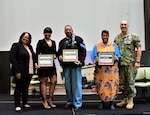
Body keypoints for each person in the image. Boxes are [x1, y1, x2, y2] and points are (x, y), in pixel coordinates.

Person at [57, 25, 86, 111]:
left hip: (76, 66)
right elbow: (59, 52)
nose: (68, 31)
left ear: (72, 30)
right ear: (64, 31)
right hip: (66, 66)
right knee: (68, 85)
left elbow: (83, 51)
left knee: (77, 85)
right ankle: (69, 101)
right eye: (66, 30)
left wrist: (80, 61)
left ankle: (77, 103)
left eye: (69, 29)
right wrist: (60, 57)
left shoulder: (79, 39)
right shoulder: (62, 42)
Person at [114, 20, 142, 109]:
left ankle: (130, 101)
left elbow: (139, 48)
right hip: (121, 64)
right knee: (122, 83)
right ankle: (124, 99)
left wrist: (137, 61)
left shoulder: (133, 37)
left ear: (128, 26)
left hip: (131, 64)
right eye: (122, 24)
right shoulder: (117, 38)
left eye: (125, 24)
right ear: (120, 26)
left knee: (130, 82)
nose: (123, 26)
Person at [91, 30, 121, 110]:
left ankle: (112, 103)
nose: (105, 37)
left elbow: (118, 56)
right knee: (101, 87)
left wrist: (115, 57)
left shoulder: (114, 45)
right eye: (103, 35)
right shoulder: (97, 46)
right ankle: (102, 102)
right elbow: (93, 57)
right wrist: (96, 59)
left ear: (108, 36)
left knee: (112, 86)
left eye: (106, 35)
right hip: (101, 72)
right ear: (101, 36)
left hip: (112, 72)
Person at [10, 32, 36, 112]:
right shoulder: (16, 46)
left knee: (25, 88)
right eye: (24, 37)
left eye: (28, 38)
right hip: (20, 71)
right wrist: (17, 71)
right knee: (18, 88)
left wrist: (36, 64)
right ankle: (17, 105)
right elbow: (12, 59)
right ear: (21, 37)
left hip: (29, 71)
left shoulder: (30, 47)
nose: (26, 39)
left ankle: (25, 103)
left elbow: (33, 57)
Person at [35, 27, 57, 109]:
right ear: (44, 33)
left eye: (49, 32)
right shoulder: (40, 42)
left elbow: (55, 52)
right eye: (46, 32)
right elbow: (37, 53)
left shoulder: (54, 42)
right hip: (43, 64)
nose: (47, 34)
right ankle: (44, 100)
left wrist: (55, 55)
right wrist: (36, 63)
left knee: (54, 81)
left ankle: (50, 99)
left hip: (51, 65)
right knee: (43, 82)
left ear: (51, 33)